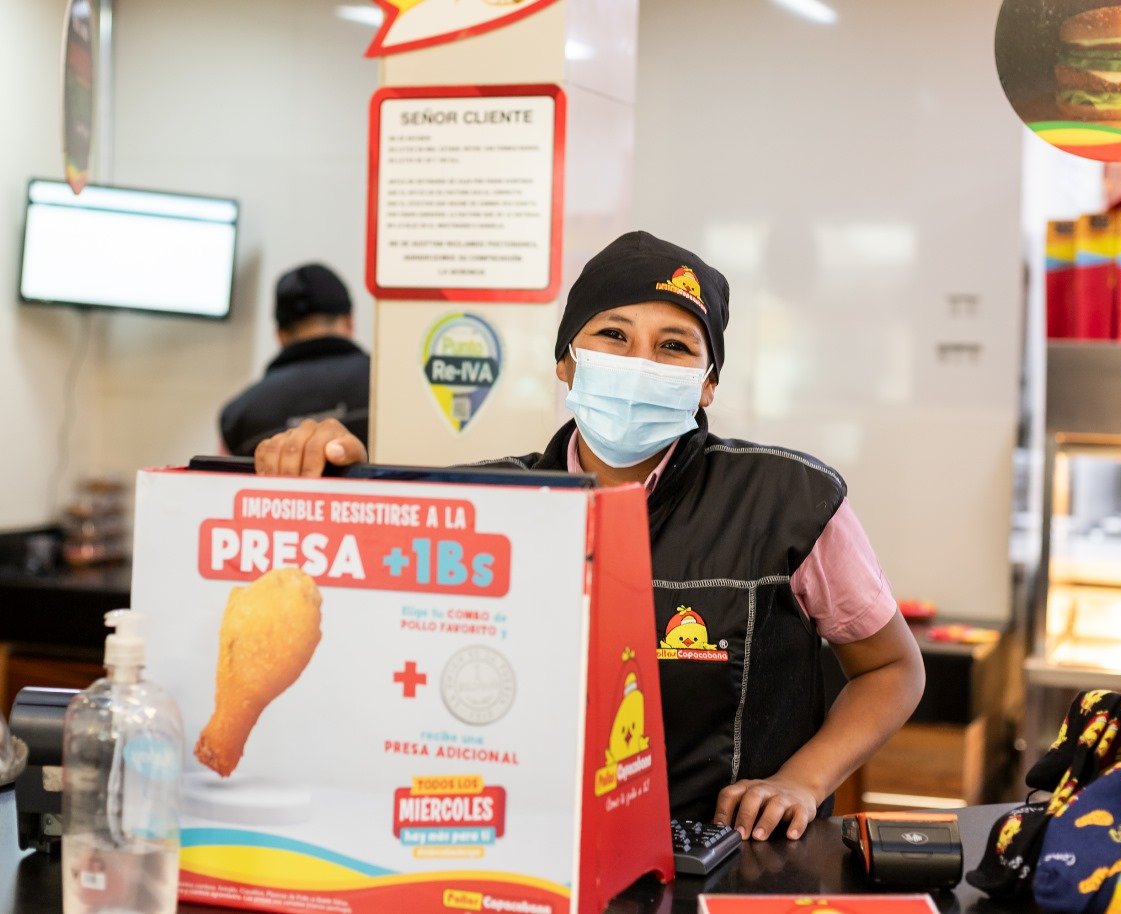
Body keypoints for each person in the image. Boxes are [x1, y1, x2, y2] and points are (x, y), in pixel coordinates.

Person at [254, 231, 925, 842]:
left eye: (674, 345)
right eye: (613, 334)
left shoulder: (790, 501)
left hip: (726, 865)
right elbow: (357, 614)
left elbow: (893, 669)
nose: (641, 361)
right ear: (566, 363)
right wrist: (327, 476)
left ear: (708, 383)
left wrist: (802, 781)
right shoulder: (484, 503)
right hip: (525, 852)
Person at [218, 263, 370, 457]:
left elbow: (223, 484)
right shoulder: (389, 386)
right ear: (349, 322)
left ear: (280, 336)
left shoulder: (236, 417)